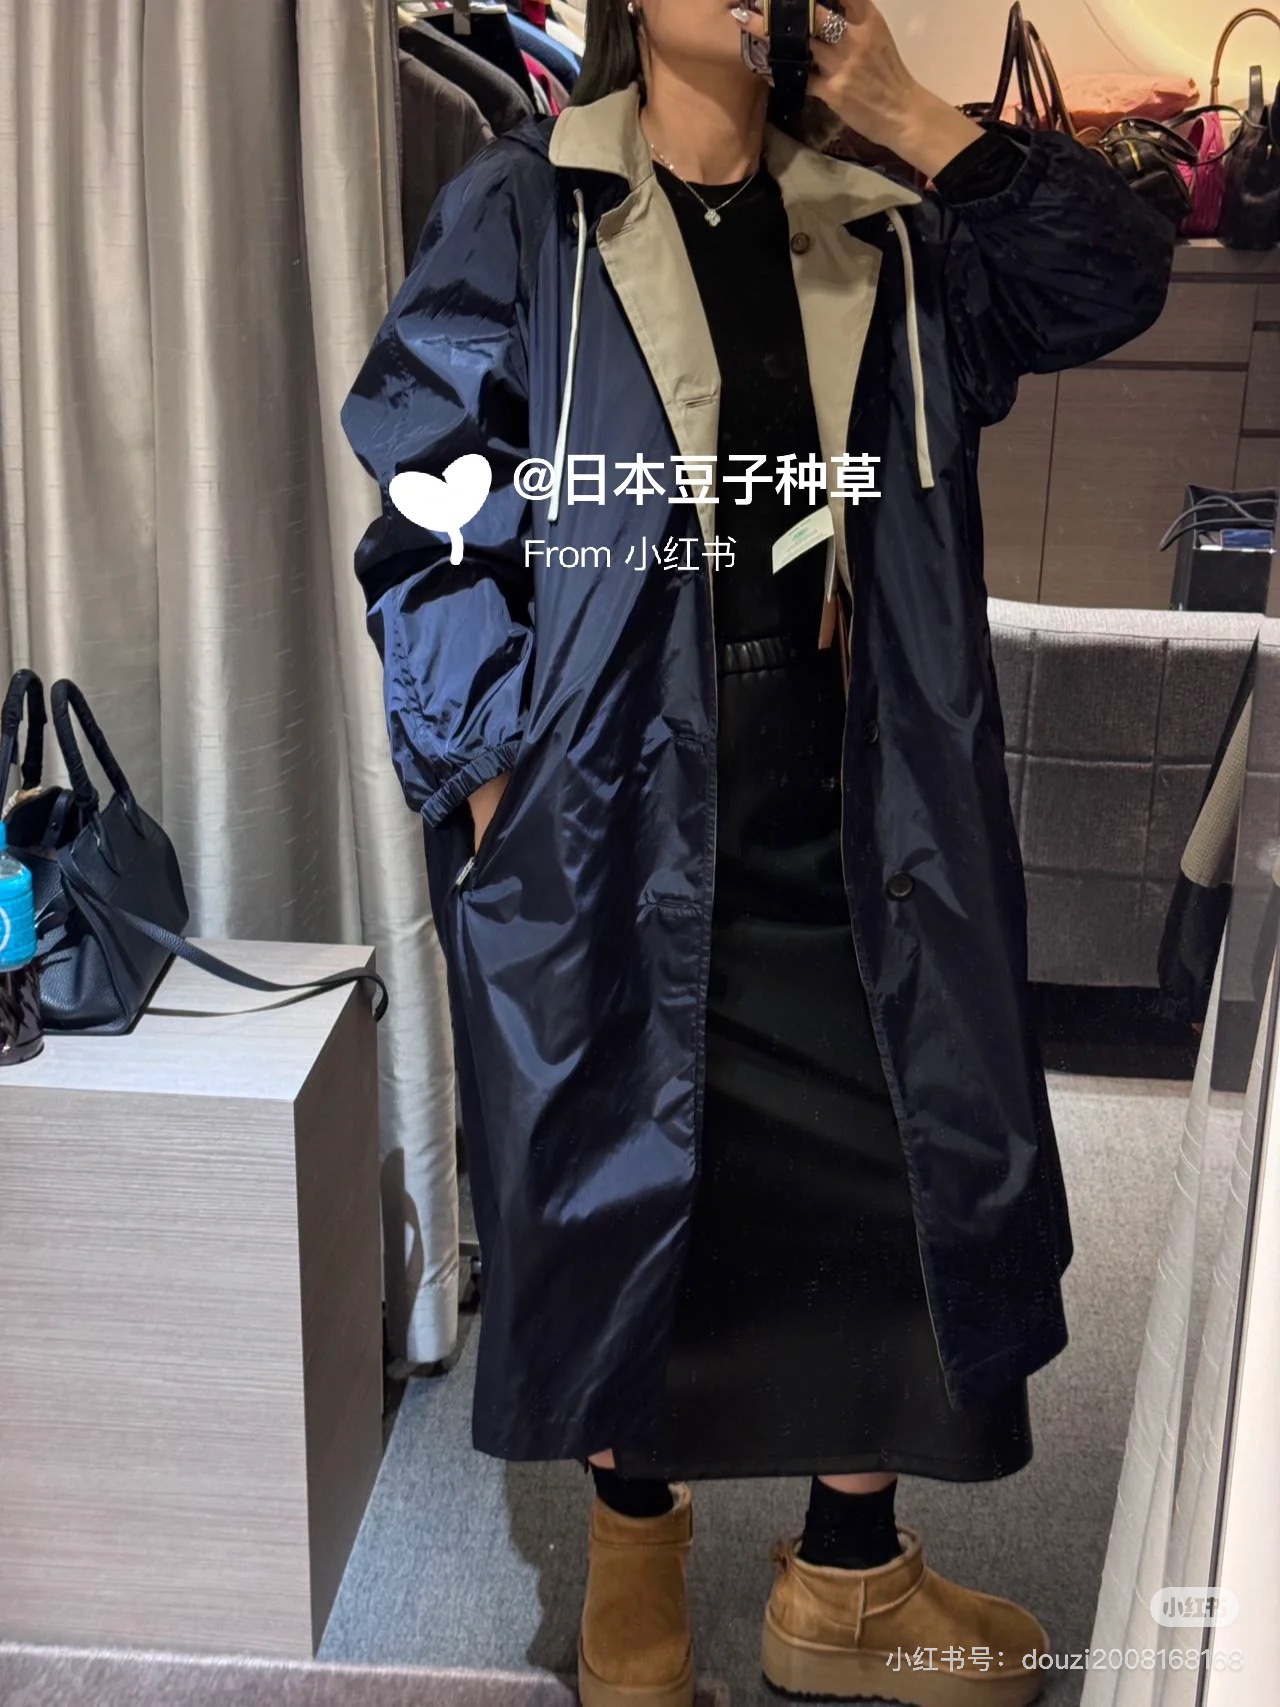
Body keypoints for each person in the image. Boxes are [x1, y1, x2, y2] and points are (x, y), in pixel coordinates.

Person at [341, 4, 1175, 1704]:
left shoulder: (891, 221)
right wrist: (491, 773)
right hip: (610, 793)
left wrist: (919, 122)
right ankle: (632, 1570)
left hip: (860, 789)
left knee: (886, 1166)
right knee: (622, 1176)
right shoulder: (529, 204)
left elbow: (1110, 284)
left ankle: (848, 1581)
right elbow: (430, 506)